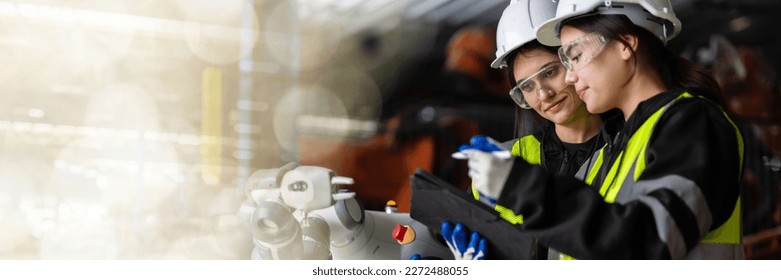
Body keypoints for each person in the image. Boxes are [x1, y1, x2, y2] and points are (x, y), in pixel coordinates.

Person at [459, 0, 745, 259]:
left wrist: (522, 187)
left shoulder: (693, 122)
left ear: (625, 44)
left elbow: (652, 241)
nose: (571, 75)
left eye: (576, 55)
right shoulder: (615, 150)